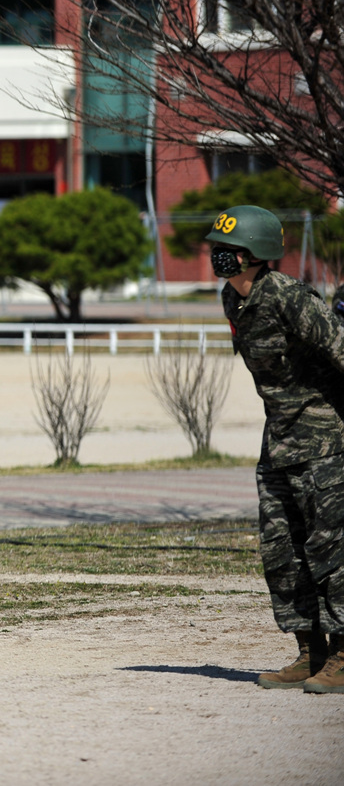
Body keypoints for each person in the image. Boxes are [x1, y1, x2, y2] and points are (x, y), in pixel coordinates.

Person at [206, 206, 344, 694]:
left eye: (229, 251)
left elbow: (340, 351)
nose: (217, 257)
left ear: (257, 254)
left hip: (326, 439)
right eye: (216, 248)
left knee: (333, 550)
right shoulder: (232, 300)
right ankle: (311, 653)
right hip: (279, 440)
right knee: (282, 552)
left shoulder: (288, 296)